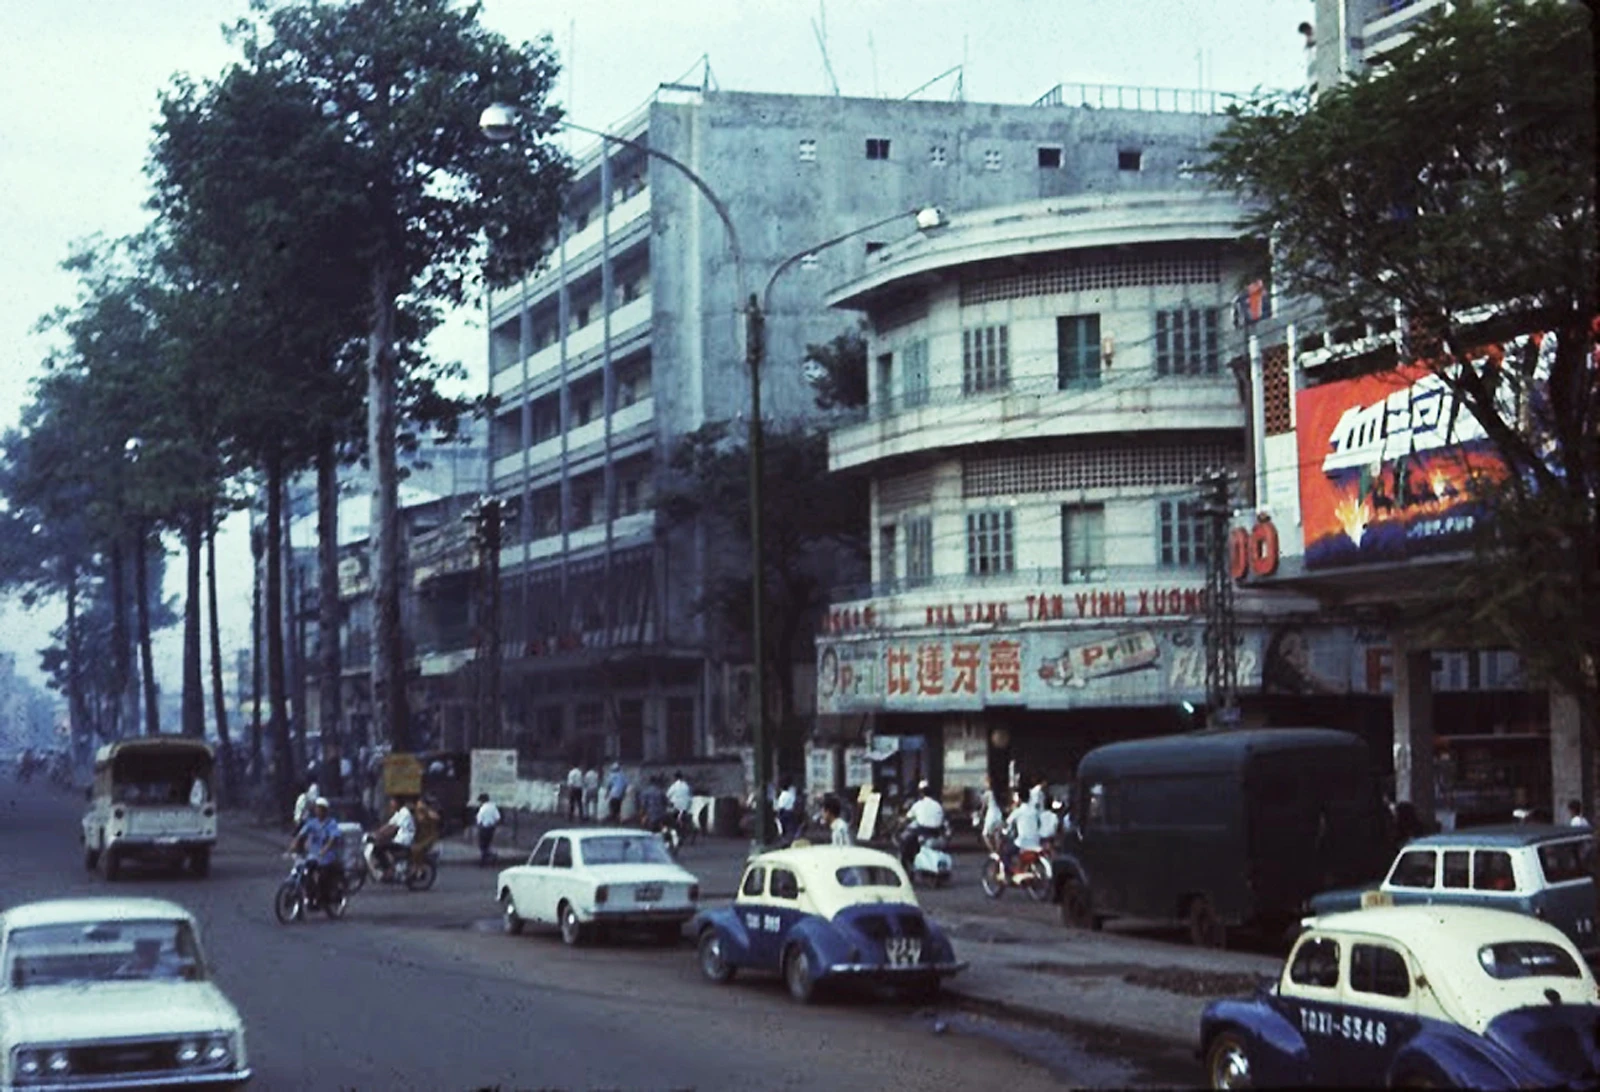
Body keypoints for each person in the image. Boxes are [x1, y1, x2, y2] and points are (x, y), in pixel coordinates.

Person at [289, 797, 344, 906]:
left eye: (320, 809)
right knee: (303, 871)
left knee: (322, 876)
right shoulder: (312, 822)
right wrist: (294, 844)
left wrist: (325, 849)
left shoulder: (331, 823)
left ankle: (322, 898)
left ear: (325, 810)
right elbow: (301, 834)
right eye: (317, 808)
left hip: (327, 856)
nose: (318, 811)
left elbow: (332, 838)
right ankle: (309, 895)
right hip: (313, 855)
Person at [901, 781, 946, 870]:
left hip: (923, 833)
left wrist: (899, 822)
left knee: (905, 842)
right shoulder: (938, 805)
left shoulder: (918, 805)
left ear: (921, 793)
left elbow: (907, 818)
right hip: (936, 834)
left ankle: (907, 864)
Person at [373, 797, 417, 880]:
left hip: (404, 841)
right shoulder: (398, 813)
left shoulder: (405, 813)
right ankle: (388, 867)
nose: (390, 804)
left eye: (392, 802)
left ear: (397, 803)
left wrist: (380, 835)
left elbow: (393, 828)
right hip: (398, 840)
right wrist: (376, 832)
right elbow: (388, 825)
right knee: (380, 846)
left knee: (379, 848)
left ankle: (389, 870)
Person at [1003, 792, 1043, 877]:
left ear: (1019, 800)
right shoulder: (1034, 811)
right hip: (1036, 841)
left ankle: (1013, 872)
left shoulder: (1018, 811)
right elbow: (1039, 824)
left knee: (1005, 853)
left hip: (1023, 842)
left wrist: (1000, 829)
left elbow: (1006, 823)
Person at [474, 793, 502, 866]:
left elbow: (479, 820)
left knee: (482, 845)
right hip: (491, 828)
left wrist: (479, 827)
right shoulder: (493, 807)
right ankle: (489, 858)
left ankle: (486, 859)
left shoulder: (482, 809)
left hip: (483, 828)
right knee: (487, 844)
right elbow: (498, 818)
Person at [775, 778, 799, 845]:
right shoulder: (791, 794)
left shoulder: (782, 795)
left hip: (784, 813)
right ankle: (790, 840)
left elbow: (780, 806)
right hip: (791, 812)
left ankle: (784, 841)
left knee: (783, 828)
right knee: (790, 828)